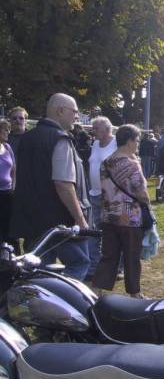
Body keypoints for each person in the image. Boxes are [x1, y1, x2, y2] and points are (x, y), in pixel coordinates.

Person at [11, 93, 92, 280]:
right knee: (80, 262)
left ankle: (39, 305)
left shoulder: (27, 138)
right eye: (75, 111)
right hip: (58, 222)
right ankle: (61, 303)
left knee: (39, 271)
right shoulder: (60, 138)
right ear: (60, 111)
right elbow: (63, 183)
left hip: (32, 220)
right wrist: (80, 219)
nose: (77, 116)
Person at [92, 125, 150, 298]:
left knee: (109, 255)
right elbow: (141, 192)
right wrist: (146, 202)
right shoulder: (132, 164)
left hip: (108, 216)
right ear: (129, 141)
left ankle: (97, 290)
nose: (138, 144)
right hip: (129, 218)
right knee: (131, 256)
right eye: (137, 140)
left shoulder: (106, 162)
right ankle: (135, 293)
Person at [87, 116, 117, 280]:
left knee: (112, 232)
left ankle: (115, 267)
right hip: (94, 194)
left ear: (107, 129)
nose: (93, 131)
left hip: (111, 196)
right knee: (94, 232)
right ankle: (93, 267)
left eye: (96, 128)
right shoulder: (95, 144)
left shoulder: (116, 143)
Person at [0, 119, 16, 248]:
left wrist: (13, 187)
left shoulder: (7, 147)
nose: (8, 132)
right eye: (5, 129)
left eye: (8, 129)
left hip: (7, 194)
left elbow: (13, 169)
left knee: (9, 231)